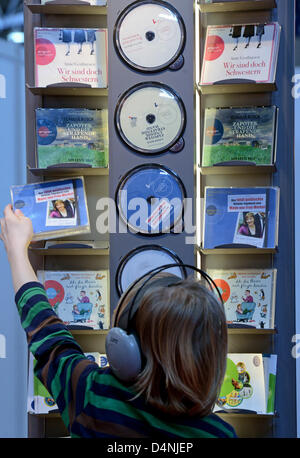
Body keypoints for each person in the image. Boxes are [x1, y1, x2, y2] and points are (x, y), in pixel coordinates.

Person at [0, 204, 236, 438]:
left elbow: (47, 333)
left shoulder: (93, 393)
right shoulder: (221, 434)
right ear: (213, 360)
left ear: (124, 349)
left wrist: (17, 252)